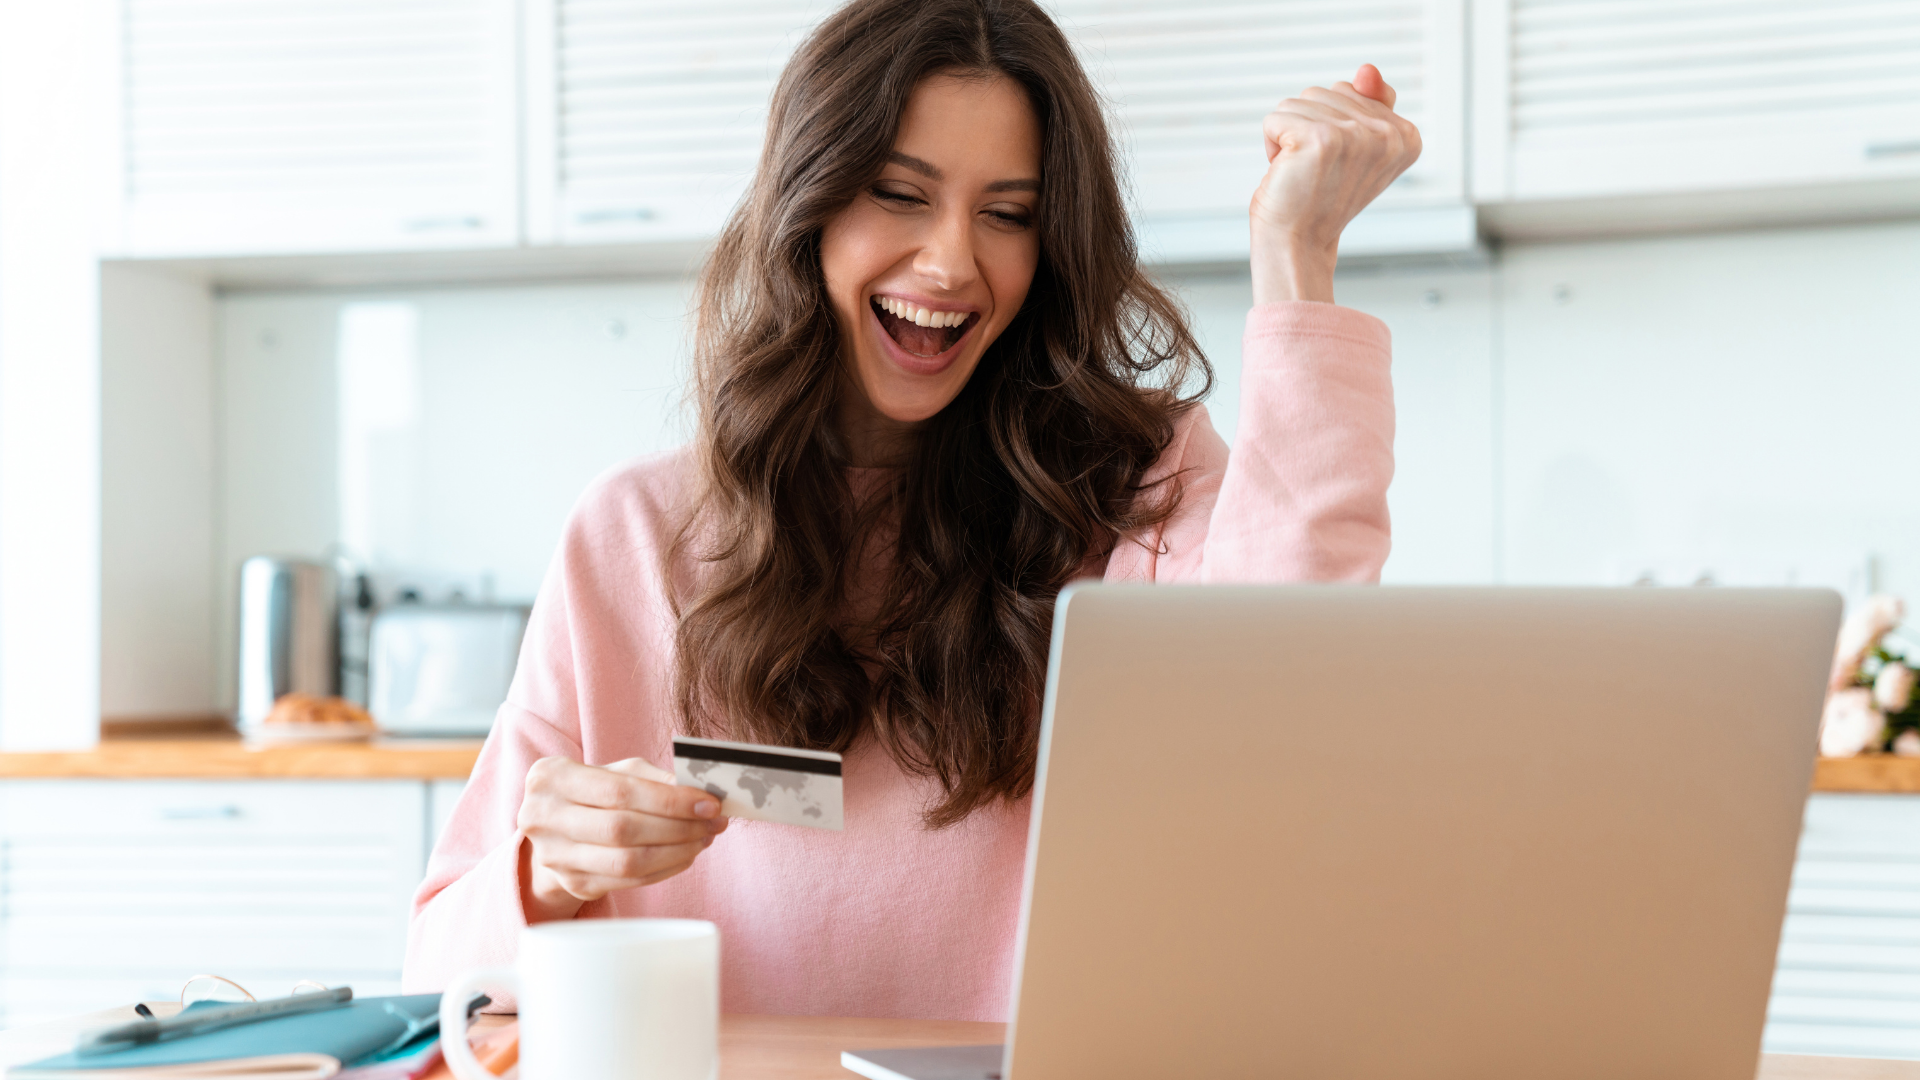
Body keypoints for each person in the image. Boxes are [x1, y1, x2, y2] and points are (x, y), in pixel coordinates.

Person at [404, 0, 1416, 1021]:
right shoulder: (634, 533)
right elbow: (441, 980)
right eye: (899, 194)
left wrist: (1298, 254)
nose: (950, 263)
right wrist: (549, 872)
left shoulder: (1134, 492)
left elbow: (1294, 668)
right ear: (808, 203)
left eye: (1008, 214)